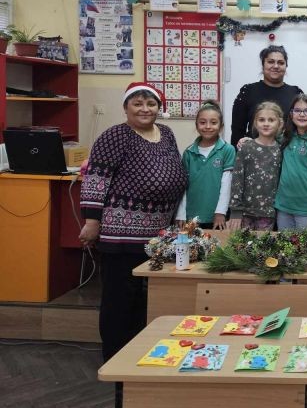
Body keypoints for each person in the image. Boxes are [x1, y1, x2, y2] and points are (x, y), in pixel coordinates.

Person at [79, 82, 186, 361]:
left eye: (150, 104)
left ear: (159, 107)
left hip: (156, 235)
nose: (144, 109)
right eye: (137, 103)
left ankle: (138, 357)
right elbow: (96, 179)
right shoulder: (115, 136)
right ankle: (115, 359)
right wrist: (92, 220)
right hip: (121, 236)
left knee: (143, 300)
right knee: (119, 300)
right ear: (126, 107)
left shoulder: (166, 133)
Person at [174, 100, 235, 230]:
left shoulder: (227, 150)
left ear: (221, 126)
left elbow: (226, 184)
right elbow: (183, 186)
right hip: (191, 216)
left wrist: (220, 212)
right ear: (196, 126)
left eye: (213, 122)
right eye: (202, 122)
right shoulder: (189, 152)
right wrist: (181, 214)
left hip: (217, 217)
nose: (208, 126)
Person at [273, 94, 307, 230]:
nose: (302, 114)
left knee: (305, 244)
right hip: (283, 206)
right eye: (297, 110)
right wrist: (246, 140)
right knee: (283, 242)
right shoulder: (285, 138)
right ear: (291, 114)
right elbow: (265, 138)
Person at [230, 45, 303, 148]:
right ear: (263, 64)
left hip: (287, 153)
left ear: (286, 66)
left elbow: (303, 128)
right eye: (271, 62)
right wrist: (238, 152)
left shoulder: (295, 93)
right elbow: (237, 130)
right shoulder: (248, 91)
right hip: (254, 153)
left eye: (281, 63)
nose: (276, 66)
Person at [228, 102, 284, 231]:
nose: (266, 123)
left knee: (262, 244)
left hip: (268, 213)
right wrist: (235, 210)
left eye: (271, 120)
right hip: (244, 212)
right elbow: (237, 180)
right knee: (241, 243)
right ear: (255, 123)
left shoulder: (281, 149)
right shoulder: (246, 147)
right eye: (261, 120)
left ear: (279, 123)